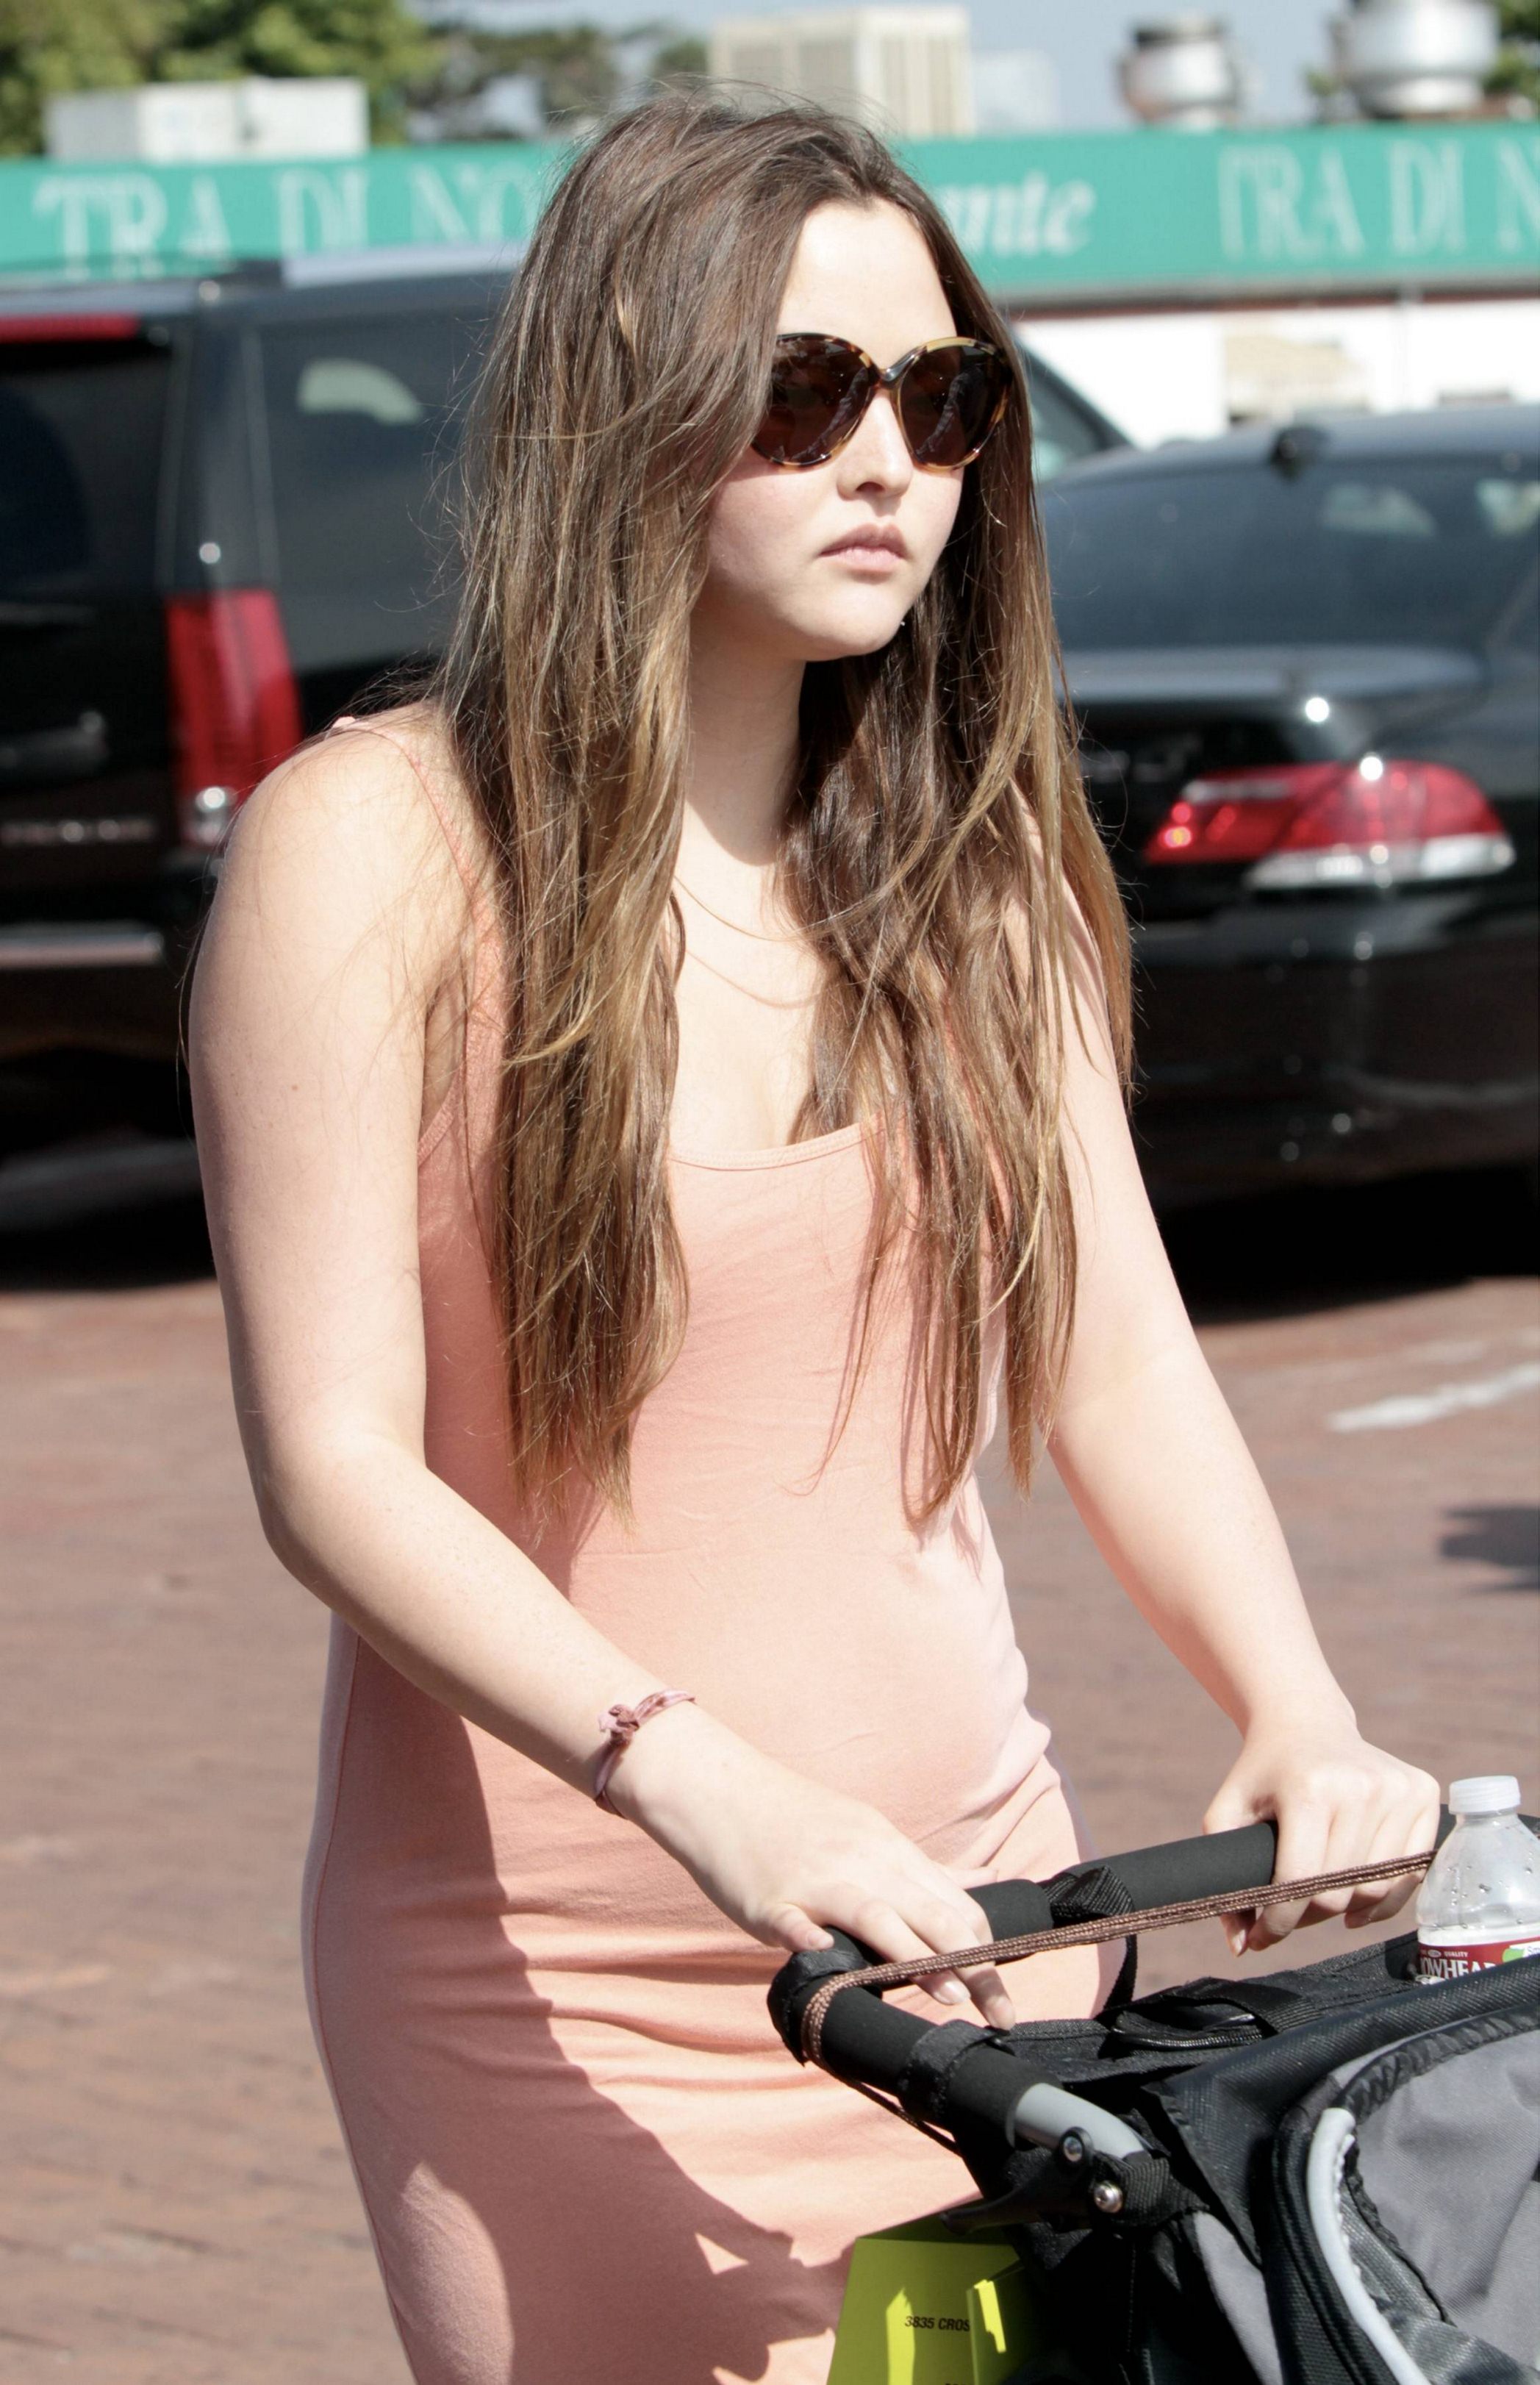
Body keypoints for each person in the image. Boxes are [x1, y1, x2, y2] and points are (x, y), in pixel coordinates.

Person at [189, 94, 1438, 2385]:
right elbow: (335, 1467)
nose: (890, 461)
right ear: (624, 404)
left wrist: (1294, 1700)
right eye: (805, 391)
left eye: (944, 399)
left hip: (977, 1941)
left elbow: (1121, 1362)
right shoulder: (370, 851)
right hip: (557, 1978)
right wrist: (704, 1777)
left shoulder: (967, 870)